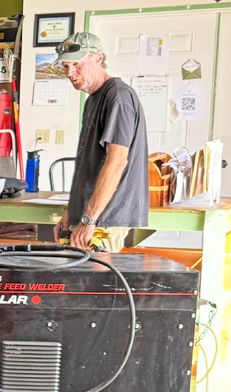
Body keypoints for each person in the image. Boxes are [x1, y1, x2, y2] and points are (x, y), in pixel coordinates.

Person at [53, 32, 149, 252]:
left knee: (96, 284)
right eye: (65, 66)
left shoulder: (117, 97)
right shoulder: (93, 99)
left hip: (104, 219)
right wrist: (72, 212)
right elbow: (90, 165)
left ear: (98, 58)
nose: (70, 73)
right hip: (90, 216)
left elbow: (117, 162)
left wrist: (88, 220)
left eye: (77, 64)